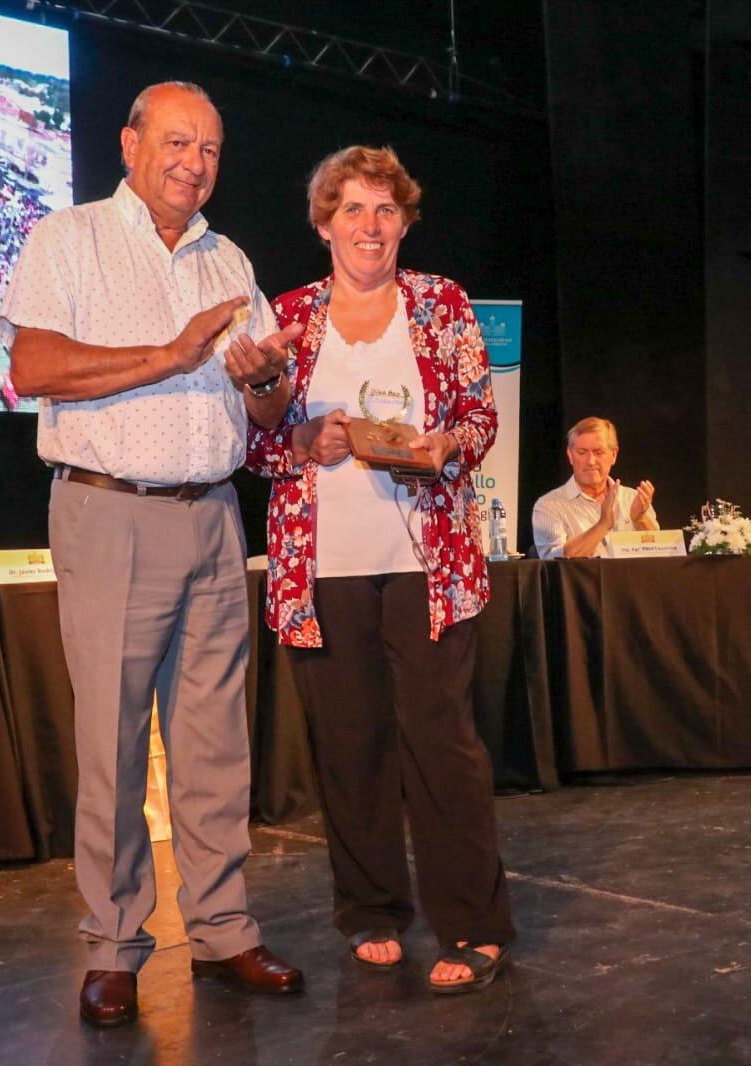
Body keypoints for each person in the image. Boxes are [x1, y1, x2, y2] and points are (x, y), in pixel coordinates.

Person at [0, 81, 305, 1029]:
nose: (193, 164)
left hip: (214, 514)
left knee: (216, 745)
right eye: (176, 143)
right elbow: (31, 369)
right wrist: (169, 356)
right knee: (115, 740)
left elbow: (264, 414)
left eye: (209, 149)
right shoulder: (70, 238)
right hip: (110, 511)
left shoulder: (231, 259)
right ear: (130, 144)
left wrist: (265, 382)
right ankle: (114, 946)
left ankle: (221, 930)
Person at [246, 145, 515, 993]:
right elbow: (250, 444)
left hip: (426, 564)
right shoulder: (288, 316)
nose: (370, 226)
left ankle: (472, 926)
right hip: (320, 570)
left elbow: (478, 414)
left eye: (385, 210)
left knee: (444, 745)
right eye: (353, 210)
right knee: (349, 747)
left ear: (404, 222)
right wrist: (295, 441)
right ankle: (370, 911)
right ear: (323, 224)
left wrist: (447, 446)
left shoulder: (441, 304)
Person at [530, 416, 658, 559]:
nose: (590, 461)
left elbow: (661, 554)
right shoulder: (548, 506)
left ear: (614, 455)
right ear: (570, 455)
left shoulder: (633, 498)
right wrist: (602, 525)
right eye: (582, 452)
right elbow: (552, 563)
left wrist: (640, 520)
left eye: (599, 452)